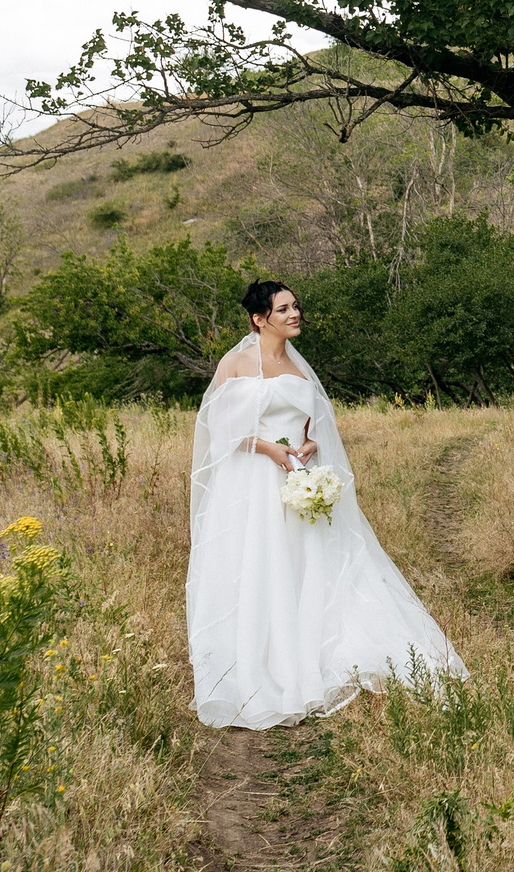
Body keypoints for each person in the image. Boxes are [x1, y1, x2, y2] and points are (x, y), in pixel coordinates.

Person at [185, 280, 465, 728]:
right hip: (253, 483)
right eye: (283, 309)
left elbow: (315, 428)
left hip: (297, 479)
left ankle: (312, 659)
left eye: (295, 307)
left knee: (307, 564)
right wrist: (267, 448)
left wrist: (309, 446)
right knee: (260, 565)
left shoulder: (300, 371)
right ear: (259, 319)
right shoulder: (235, 364)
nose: (294, 314)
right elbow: (219, 432)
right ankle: (259, 672)